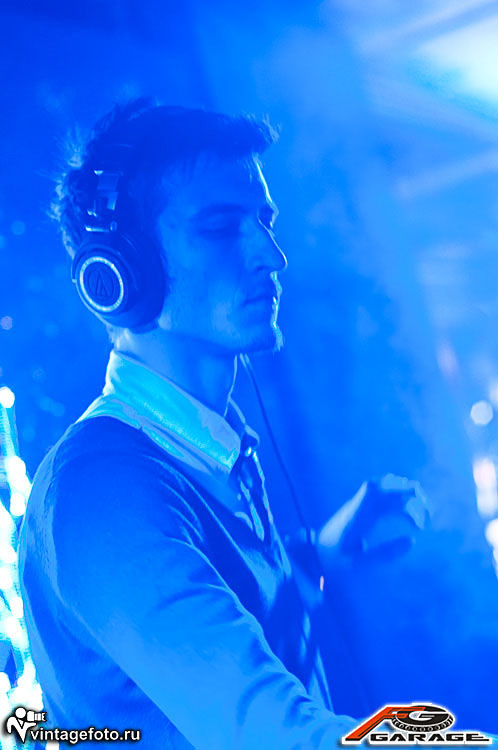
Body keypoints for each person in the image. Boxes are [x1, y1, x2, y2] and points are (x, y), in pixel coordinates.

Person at [18, 99, 422, 749]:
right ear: (120, 272)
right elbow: (276, 736)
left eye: (264, 222)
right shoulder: (102, 491)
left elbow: (211, 609)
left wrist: (317, 554)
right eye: (220, 228)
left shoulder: (202, 448)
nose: (272, 256)